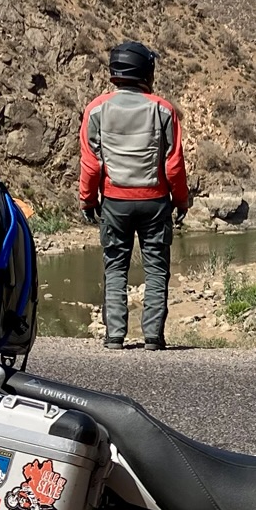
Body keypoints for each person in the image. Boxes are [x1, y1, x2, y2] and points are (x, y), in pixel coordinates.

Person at [78, 41, 190, 349]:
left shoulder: (96, 109)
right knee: (156, 269)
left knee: (115, 267)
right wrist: (181, 200)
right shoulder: (163, 109)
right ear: (146, 72)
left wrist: (88, 199)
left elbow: (91, 163)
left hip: (114, 202)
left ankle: (115, 336)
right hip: (155, 203)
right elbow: (174, 164)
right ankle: (153, 337)